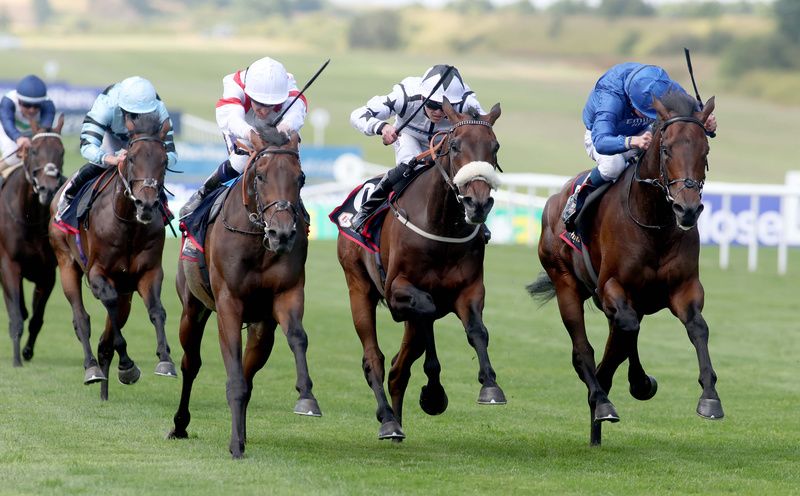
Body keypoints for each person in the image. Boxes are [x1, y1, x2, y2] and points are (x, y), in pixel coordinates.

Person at [561, 62, 717, 232]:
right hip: (602, 135)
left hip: (642, 132)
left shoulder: (665, 87)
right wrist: (632, 142)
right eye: (643, 111)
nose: (647, 115)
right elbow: (601, 142)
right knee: (613, 166)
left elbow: (692, 119)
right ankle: (579, 196)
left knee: (669, 150)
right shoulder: (610, 97)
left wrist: (706, 125)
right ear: (630, 99)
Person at [348, 64, 485, 233]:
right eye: (432, 104)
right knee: (409, 165)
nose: (438, 112)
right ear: (422, 96)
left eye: (445, 106)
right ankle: (366, 210)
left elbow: (484, 129)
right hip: (408, 137)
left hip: (445, 142)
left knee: (458, 172)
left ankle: (478, 220)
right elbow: (357, 115)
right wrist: (382, 127)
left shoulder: (467, 102)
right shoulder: (405, 96)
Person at [179, 56, 307, 218]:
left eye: (270, 105)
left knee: (285, 163)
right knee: (240, 161)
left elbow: (297, 111)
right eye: (259, 103)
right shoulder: (235, 85)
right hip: (243, 124)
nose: (264, 111)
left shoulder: (286, 86)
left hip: (278, 125)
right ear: (249, 93)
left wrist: (284, 128)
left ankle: (295, 203)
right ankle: (203, 193)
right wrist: (250, 134)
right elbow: (232, 119)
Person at [55, 76, 177, 220]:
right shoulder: (106, 105)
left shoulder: (159, 111)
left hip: (144, 144)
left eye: (144, 115)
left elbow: (172, 156)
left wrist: (155, 161)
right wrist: (110, 158)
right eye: (133, 115)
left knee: (150, 170)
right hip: (111, 138)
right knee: (98, 164)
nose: (138, 121)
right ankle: (67, 199)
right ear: (121, 108)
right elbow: (87, 146)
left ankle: (163, 208)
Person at [0, 75, 57, 169]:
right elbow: (7, 122)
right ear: (19, 100)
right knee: (13, 155)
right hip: (9, 131)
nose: (32, 110)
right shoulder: (8, 101)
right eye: (27, 105)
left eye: (37, 105)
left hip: (33, 133)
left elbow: (44, 131)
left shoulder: (48, 105)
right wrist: (18, 138)